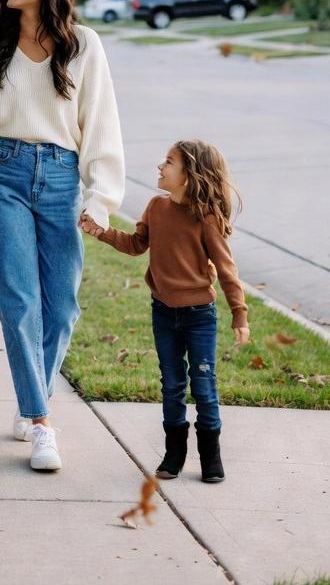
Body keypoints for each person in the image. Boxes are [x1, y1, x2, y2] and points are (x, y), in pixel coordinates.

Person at [0, 0, 124, 472]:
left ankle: (35, 399)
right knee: (18, 301)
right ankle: (40, 422)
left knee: (62, 307)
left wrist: (100, 198)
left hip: (60, 178)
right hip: (5, 173)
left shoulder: (84, 46)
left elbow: (101, 125)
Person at [80, 138, 250, 484]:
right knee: (172, 384)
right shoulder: (156, 208)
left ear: (190, 174)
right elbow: (136, 245)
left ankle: (210, 458)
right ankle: (174, 455)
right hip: (164, 313)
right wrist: (102, 232)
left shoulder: (206, 219)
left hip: (199, 316)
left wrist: (239, 313)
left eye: (169, 162)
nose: (160, 166)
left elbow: (227, 268)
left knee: (203, 385)